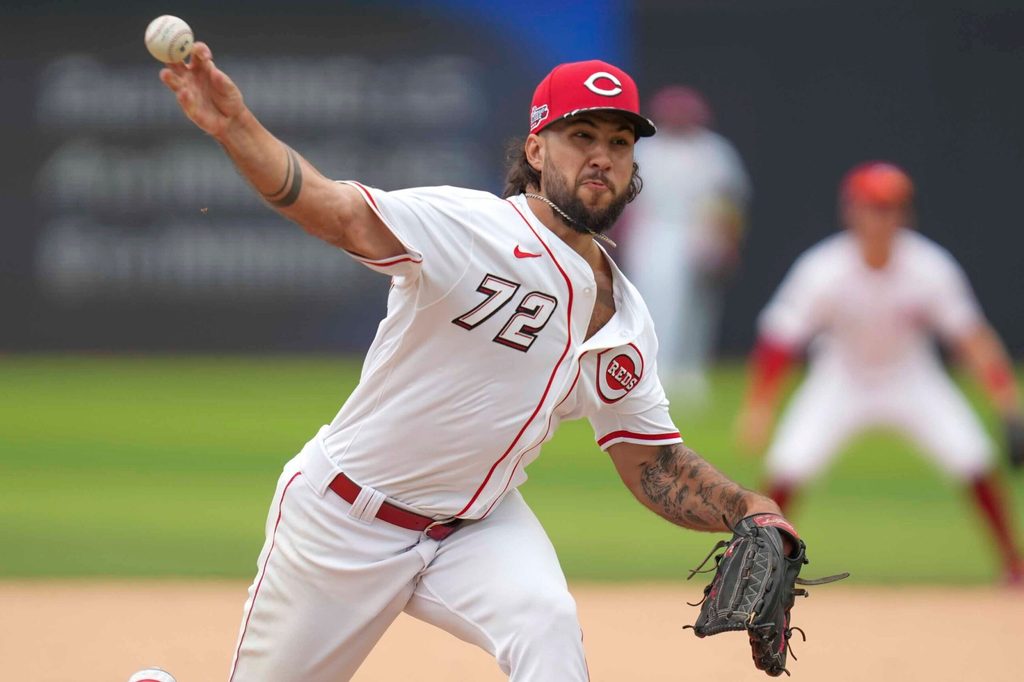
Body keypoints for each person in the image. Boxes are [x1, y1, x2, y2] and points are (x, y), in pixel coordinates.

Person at [158, 46, 794, 681]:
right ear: (537, 151)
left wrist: (748, 508)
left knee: (546, 626)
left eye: (621, 141)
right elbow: (336, 213)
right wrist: (236, 128)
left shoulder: (627, 318)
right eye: (582, 135)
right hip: (346, 519)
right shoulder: (471, 227)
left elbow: (650, 460)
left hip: (478, 528)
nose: (603, 154)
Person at [736, 161, 1024, 584]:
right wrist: (759, 406)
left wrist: (1007, 401)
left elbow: (971, 339)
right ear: (851, 210)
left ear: (905, 213)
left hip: (911, 377)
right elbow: (781, 339)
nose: (881, 217)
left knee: (973, 458)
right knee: (788, 465)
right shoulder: (823, 268)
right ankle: (758, 570)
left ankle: (1014, 566)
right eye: (872, 206)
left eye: (890, 207)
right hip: (841, 377)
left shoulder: (929, 266)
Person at [622, 85, 751, 400]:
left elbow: (728, 199)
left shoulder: (713, 151)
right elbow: (629, 201)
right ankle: (656, 370)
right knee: (655, 303)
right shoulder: (645, 149)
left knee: (698, 306)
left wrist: (727, 239)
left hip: (699, 231)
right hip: (653, 234)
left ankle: (690, 372)